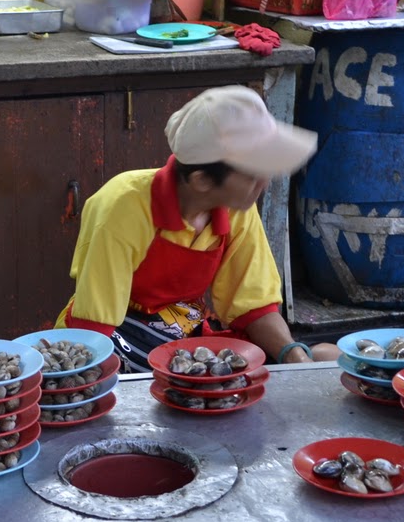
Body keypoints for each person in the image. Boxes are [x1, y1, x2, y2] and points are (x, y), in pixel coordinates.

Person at [56, 85, 337, 371]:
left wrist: (296, 359)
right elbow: (94, 327)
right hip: (112, 333)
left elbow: (254, 307)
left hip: (181, 327)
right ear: (202, 181)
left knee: (327, 356)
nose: (265, 181)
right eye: (253, 173)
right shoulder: (121, 206)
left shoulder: (237, 206)